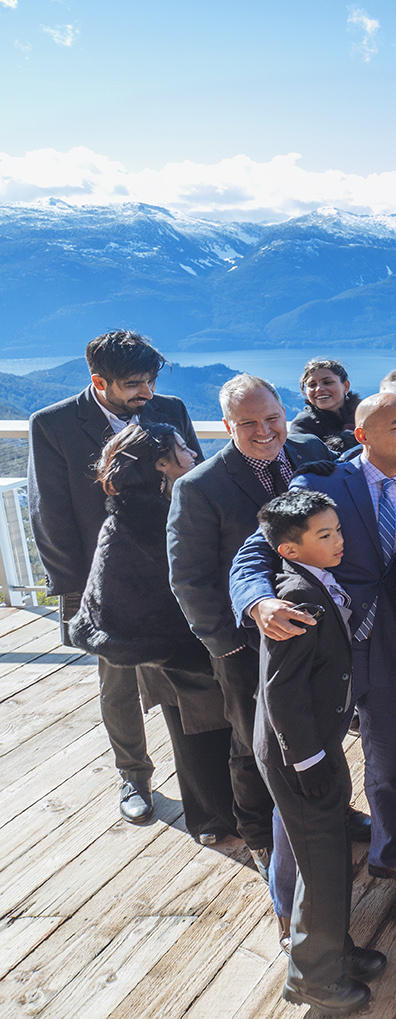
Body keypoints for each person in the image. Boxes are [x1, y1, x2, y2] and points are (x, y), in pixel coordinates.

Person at [231, 393, 396, 892]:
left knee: (387, 764)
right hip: (322, 654)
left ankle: (389, 854)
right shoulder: (320, 484)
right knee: (303, 771)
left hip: (393, 654)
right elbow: (255, 551)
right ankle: (289, 894)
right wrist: (258, 602)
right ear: (362, 435)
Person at [168, 375, 345, 920]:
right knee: (254, 744)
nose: (265, 431)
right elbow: (189, 578)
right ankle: (262, 837)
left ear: (284, 411)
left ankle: (328, 814)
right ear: (227, 426)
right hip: (248, 646)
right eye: (248, 423)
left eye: (271, 418)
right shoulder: (199, 487)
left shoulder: (311, 453)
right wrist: (228, 649)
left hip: (318, 635)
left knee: (320, 728)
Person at [28, 330, 201, 824]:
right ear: (99, 381)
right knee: (118, 681)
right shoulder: (53, 423)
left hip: (175, 569)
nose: (147, 392)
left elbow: (196, 480)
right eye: (134, 384)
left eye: (150, 381)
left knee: (195, 676)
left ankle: (206, 778)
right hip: (106, 580)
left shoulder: (171, 409)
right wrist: (75, 592)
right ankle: (134, 775)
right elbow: (49, 513)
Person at [251, 490, 387, 1016]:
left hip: (316, 744)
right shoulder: (298, 600)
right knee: (323, 865)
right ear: (289, 549)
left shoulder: (316, 581)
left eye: (338, 530)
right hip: (298, 755)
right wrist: (309, 764)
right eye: (325, 535)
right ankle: (313, 979)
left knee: (327, 859)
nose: (338, 541)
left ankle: (335, 950)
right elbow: (282, 693)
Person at [69, 423, 234, 846]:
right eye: (182, 448)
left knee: (222, 730)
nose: (193, 453)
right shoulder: (129, 522)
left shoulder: (190, 500)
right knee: (195, 735)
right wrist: (178, 644)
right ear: (162, 463)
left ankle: (232, 816)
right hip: (172, 653)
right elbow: (111, 596)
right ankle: (213, 822)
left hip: (203, 641)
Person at [291, 359, 361, 454]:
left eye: (328, 382)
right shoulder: (302, 425)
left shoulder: (366, 414)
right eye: (312, 385)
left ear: (346, 386)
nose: (319, 389)